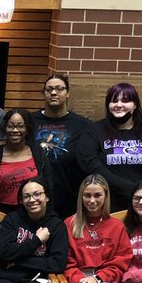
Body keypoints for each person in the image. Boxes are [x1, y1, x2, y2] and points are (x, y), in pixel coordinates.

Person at [77, 82, 142, 212]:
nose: (119, 105)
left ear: (135, 105)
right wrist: (129, 189)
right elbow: (89, 163)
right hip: (109, 205)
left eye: (125, 100)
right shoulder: (95, 130)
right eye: (114, 101)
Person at [0, 178, 68, 283]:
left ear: (47, 197)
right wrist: (36, 240)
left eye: (37, 194)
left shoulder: (57, 225)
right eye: (26, 196)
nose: (32, 200)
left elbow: (57, 264)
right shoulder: (12, 220)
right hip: (8, 277)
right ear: (21, 200)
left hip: (39, 278)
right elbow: (5, 253)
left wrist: (17, 261)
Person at [32, 72, 92, 218]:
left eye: (59, 89)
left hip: (68, 198)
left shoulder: (83, 125)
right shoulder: (30, 121)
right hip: (34, 197)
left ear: (68, 93)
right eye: (49, 89)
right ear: (44, 93)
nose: (53, 93)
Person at [0, 108, 52, 214]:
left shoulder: (38, 155)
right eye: (10, 126)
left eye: (20, 126)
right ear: (4, 129)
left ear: (27, 129)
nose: (15, 130)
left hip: (31, 213)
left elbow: (49, 186)